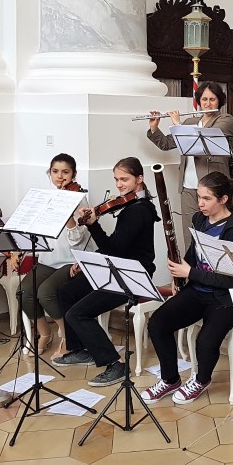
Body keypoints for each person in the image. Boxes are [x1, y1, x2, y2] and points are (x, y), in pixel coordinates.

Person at [140, 171, 233, 404]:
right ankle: (170, 379)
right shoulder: (199, 219)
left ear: (224, 199)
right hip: (197, 290)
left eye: (207, 198)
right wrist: (180, 273)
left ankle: (201, 379)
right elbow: (192, 254)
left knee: (205, 342)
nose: (200, 203)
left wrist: (190, 273)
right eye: (199, 197)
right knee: (158, 323)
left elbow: (231, 281)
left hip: (225, 299)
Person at [52, 157, 159, 387]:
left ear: (139, 179)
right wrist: (91, 261)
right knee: (66, 292)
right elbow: (116, 250)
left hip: (133, 275)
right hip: (116, 266)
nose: (119, 185)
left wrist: (93, 225)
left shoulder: (138, 211)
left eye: (125, 179)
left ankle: (115, 364)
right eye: (116, 179)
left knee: (77, 314)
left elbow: (116, 248)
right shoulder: (130, 206)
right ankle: (81, 350)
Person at [145, 81, 233, 251]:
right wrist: (154, 128)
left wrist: (178, 125)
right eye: (204, 99)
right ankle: (191, 274)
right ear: (198, 101)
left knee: (213, 233)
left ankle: (212, 275)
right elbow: (166, 144)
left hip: (211, 187)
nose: (208, 103)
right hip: (188, 185)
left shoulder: (225, 119)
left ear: (219, 101)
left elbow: (202, 145)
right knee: (190, 233)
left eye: (212, 99)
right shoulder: (189, 121)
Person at [20, 154, 93, 357]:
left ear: (74, 174)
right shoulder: (46, 198)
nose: (60, 177)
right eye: (55, 172)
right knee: (24, 291)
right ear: (50, 173)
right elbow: (35, 232)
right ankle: (44, 333)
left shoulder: (79, 199)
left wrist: (68, 214)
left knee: (46, 292)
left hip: (72, 260)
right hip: (48, 258)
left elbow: (78, 239)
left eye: (65, 172)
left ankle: (67, 334)